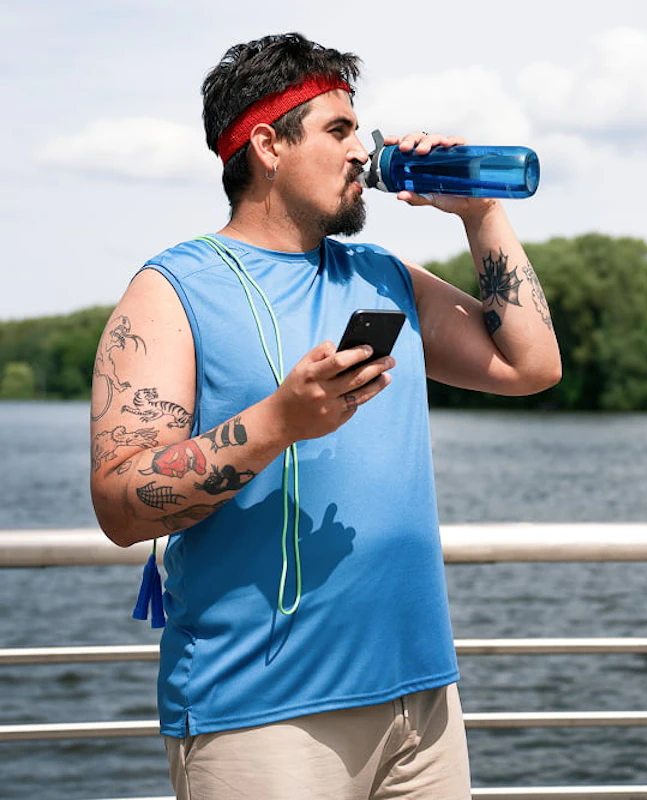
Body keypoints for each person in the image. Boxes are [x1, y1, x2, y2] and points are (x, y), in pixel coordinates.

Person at [89, 32, 560, 799]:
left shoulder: (383, 276)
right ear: (268, 146)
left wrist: (480, 214)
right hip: (263, 718)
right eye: (338, 130)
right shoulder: (173, 289)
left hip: (421, 705)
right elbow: (119, 504)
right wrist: (279, 421)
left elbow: (530, 366)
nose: (361, 152)